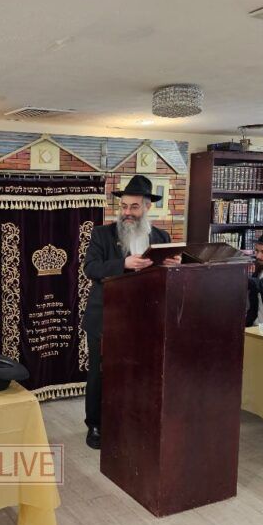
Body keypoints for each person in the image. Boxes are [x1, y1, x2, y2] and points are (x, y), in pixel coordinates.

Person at [81, 174, 180, 450]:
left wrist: (171, 267)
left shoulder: (161, 237)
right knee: (101, 373)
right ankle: (96, 425)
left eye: (134, 207)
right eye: (124, 206)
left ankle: (130, 420)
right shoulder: (102, 235)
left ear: (147, 207)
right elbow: (91, 268)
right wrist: (123, 264)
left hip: (145, 319)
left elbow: (162, 277)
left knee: (138, 372)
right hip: (107, 318)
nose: (127, 212)